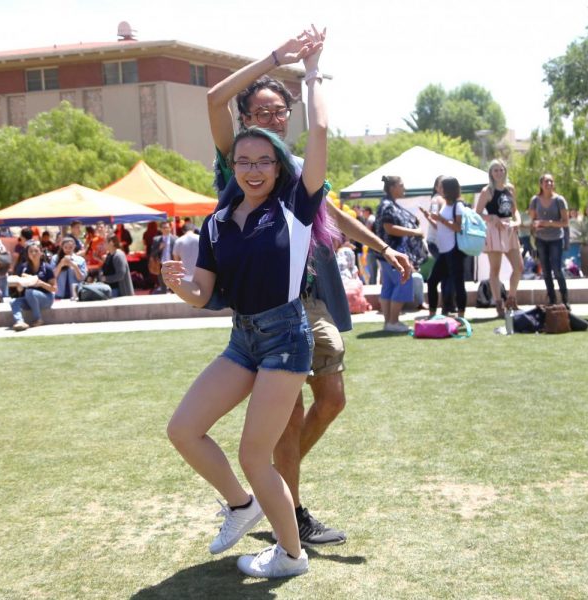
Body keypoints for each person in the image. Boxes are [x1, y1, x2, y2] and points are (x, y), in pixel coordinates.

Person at [205, 30, 411, 554]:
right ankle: (287, 510)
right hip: (272, 303)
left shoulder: (290, 167)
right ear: (245, 119)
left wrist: (383, 249)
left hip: (309, 290)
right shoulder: (240, 159)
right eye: (262, 112)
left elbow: (333, 214)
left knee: (331, 398)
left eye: (280, 112)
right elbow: (214, 100)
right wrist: (279, 58)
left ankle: (275, 487)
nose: (273, 120)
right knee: (288, 415)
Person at [164, 27, 328, 580]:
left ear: (278, 167)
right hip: (243, 338)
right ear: (231, 165)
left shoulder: (295, 207)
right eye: (243, 160)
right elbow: (202, 295)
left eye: (264, 161)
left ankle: (290, 555)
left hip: (286, 338)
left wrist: (305, 68)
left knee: (256, 453)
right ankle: (240, 505)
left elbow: (321, 129)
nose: (253, 168)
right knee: (183, 430)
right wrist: (178, 286)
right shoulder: (217, 220)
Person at [375, 175, 426, 332]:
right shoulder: (388, 206)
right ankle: (393, 321)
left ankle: (389, 322)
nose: (404, 188)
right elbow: (389, 228)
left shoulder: (388, 204)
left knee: (389, 286)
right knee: (403, 283)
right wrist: (415, 232)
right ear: (392, 188)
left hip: (389, 254)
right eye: (401, 185)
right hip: (395, 253)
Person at [475, 159, 522, 315]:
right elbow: (478, 213)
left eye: (501, 170)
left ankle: (511, 299)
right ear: (490, 173)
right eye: (495, 170)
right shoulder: (487, 191)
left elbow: (515, 210)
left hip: (510, 229)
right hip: (494, 230)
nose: (498, 173)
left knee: (519, 267)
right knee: (495, 269)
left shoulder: (510, 189)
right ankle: (498, 303)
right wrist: (492, 218)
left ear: (505, 171)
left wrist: (518, 221)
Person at [420, 177, 468, 317]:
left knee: (458, 283)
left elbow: (458, 227)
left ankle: (461, 315)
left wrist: (441, 219)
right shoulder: (445, 205)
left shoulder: (458, 206)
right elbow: (440, 226)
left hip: (454, 250)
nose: (439, 189)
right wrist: (430, 217)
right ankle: (432, 313)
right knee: (432, 281)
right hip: (444, 250)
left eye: (442, 187)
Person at [528, 173, 570, 306]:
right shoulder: (535, 200)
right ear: (541, 184)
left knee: (557, 270)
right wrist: (536, 226)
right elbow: (532, 219)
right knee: (545, 271)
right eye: (546, 181)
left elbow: (565, 222)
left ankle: (564, 298)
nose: (549, 184)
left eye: (551, 181)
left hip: (556, 239)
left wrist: (549, 223)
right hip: (541, 239)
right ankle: (552, 299)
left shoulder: (559, 200)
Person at [10, 242, 56, 331]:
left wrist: (40, 283)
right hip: (28, 298)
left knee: (30, 292)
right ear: (27, 254)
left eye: (36, 251)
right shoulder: (23, 268)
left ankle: (38, 319)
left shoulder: (47, 268)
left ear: (41, 253)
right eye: (31, 251)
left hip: (46, 299)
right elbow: (18, 289)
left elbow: (54, 288)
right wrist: (19, 287)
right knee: (14, 301)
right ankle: (20, 322)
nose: (33, 253)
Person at [149, 221, 177, 293]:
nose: (166, 229)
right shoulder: (156, 240)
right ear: (160, 229)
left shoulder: (175, 239)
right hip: (161, 265)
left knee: (174, 285)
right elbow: (152, 254)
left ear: (170, 228)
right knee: (163, 285)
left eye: (167, 227)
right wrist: (159, 248)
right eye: (164, 228)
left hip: (172, 264)